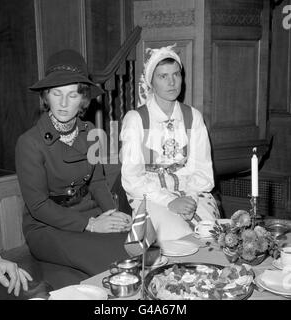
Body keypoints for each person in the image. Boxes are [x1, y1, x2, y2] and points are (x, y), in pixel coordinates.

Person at [15, 49, 132, 278]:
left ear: (83, 99)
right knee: (113, 262)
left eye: (72, 95)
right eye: (56, 94)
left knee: (137, 246)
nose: (63, 103)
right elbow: (38, 206)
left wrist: (111, 213)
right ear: (46, 97)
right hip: (47, 227)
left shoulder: (92, 133)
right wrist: (90, 224)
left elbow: (98, 182)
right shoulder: (29, 142)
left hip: (90, 213)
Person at [120, 44, 220, 241]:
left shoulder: (193, 117)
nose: (172, 82)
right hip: (149, 194)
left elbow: (202, 169)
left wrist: (189, 199)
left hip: (191, 190)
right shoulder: (136, 119)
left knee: (210, 232)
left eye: (176, 74)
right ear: (151, 82)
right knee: (174, 235)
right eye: (163, 76)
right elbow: (132, 179)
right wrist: (170, 201)